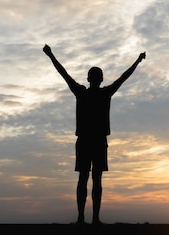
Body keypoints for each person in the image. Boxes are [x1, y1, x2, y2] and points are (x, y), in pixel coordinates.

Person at [43, 44, 146, 225]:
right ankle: (89, 218)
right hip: (94, 141)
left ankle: (86, 218)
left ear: (89, 78)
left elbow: (64, 73)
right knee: (92, 179)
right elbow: (123, 77)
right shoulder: (98, 93)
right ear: (98, 78)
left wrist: (51, 55)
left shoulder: (87, 92)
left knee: (87, 178)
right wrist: (137, 61)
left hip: (90, 140)